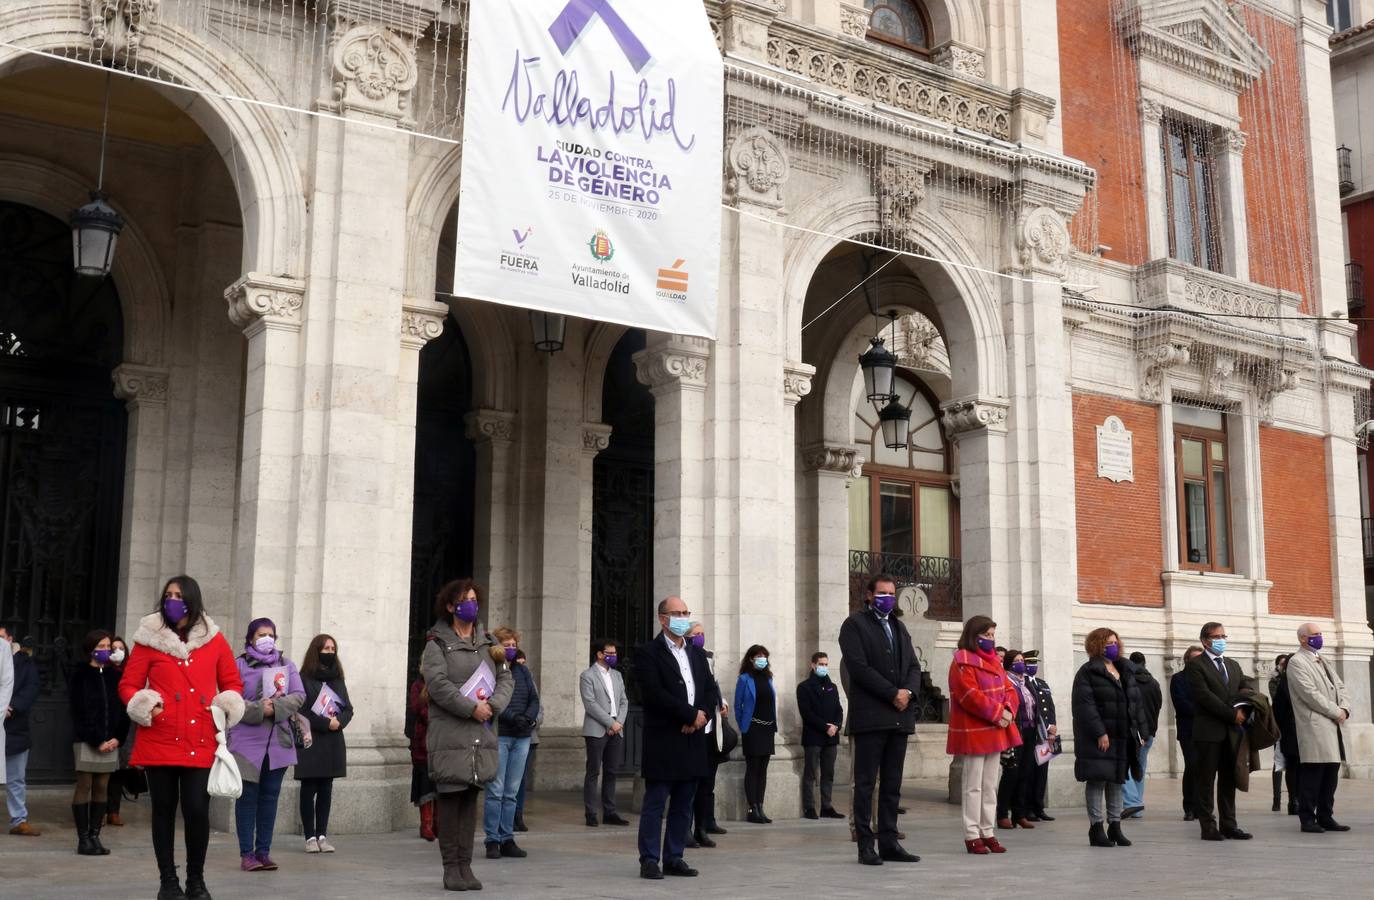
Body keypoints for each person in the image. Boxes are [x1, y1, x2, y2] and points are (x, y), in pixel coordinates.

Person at [119, 575, 245, 900]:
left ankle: (196, 880)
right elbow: (128, 684)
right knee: (162, 809)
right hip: (159, 737)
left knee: (197, 810)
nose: (172, 599)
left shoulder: (214, 640)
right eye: (168, 594)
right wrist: (147, 706)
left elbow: (232, 682)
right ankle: (167, 882)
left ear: (192, 599)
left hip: (201, 736)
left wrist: (225, 707)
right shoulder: (148, 639)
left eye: (178, 594)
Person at [423, 579, 514, 892]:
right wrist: (470, 708)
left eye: (474, 599)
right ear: (450, 606)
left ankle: (466, 865)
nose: (470, 605)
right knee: (451, 801)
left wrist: (493, 706)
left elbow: (505, 680)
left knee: (470, 802)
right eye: (464, 600)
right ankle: (451, 867)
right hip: (451, 734)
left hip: (481, 733)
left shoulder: (489, 642)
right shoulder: (436, 643)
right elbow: (437, 685)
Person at [839, 574, 922, 866]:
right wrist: (892, 693)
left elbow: (913, 665)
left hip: (899, 718)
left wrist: (909, 692)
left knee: (891, 784)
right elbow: (858, 668)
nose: (888, 597)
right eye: (882, 593)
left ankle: (889, 841)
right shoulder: (854, 626)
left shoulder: (899, 627)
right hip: (871, 717)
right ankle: (865, 844)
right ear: (869, 595)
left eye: (891, 593)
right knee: (865, 785)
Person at [636, 596, 715, 880]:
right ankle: (649, 858)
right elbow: (654, 693)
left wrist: (701, 714)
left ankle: (674, 856)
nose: (682, 617)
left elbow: (708, 688)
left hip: (693, 738)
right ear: (662, 618)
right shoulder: (648, 653)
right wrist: (687, 715)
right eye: (676, 613)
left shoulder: (695, 653)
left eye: (685, 612)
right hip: (665, 738)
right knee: (656, 802)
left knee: (684, 803)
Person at [227, 618, 304, 872]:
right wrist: (261, 708)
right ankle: (247, 854)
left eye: (271, 634)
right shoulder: (238, 665)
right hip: (246, 743)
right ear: (251, 638)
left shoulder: (287, 664)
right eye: (261, 634)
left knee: (270, 797)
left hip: (278, 742)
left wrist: (276, 708)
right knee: (247, 798)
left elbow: (299, 695)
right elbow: (230, 700)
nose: (267, 639)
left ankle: (264, 852)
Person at [946, 616, 1018, 855]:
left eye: (992, 635)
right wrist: (999, 713)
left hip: (996, 728)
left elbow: (1009, 688)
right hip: (975, 730)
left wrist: (1009, 709)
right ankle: (972, 834)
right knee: (973, 786)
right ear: (973, 635)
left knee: (990, 785)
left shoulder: (995, 662)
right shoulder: (961, 661)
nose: (990, 639)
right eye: (986, 635)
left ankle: (988, 831)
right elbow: (969, 696)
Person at [1072, 628, 1148, 848]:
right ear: (1096, 646)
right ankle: (1096, 828)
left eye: (1115, 642)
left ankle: (1115, 826)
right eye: (1107, 644)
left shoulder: (1124, 670)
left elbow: (1136, 704)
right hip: (1100, 737)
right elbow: (1085, 706)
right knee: (1097, 781)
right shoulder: (1087, 672)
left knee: (1117, 780)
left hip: (1123, 735)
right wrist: (1100, 732)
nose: (1113, 646)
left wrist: (1141, 732)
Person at [1183, 621, 1249, 841]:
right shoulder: (1196, 665)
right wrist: (1232, 714)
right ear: (1204, 640)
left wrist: (1246, 707)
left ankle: (1229, 824)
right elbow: (1204, 696)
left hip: (1232, 732)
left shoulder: (1232, 664)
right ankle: (1208, 827)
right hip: (1208, 732)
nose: (1221, 640)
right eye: (1216, 637)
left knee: (1229, 780)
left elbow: (1244, 687)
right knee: (1206, 780)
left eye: (1223, 636)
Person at [1286, 623, 1352, 833]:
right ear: (1303, 638)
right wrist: (1336, 712)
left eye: (1320, 634)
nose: (1320, 637)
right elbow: (1310, 694)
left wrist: (1345, 708)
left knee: (1330, 774)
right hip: (1315, 724)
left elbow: (1340, 686)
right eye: (1315, 635)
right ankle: (1307, 817)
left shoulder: (1323, 659)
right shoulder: (1297, 662)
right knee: (1313, 774)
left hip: (1333, 724)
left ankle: (1326, 815)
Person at [70, 629, 130, 856]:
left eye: (109, 647)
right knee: (84, 785)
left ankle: (95, 836)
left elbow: (124, 709)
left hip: (111, 742)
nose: (106, 651)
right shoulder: (81, 674)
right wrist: (96, 740)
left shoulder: (116, 676)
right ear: (91, 649)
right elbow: (77, 711)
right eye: (102, 647)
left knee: (102, 787)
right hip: (87, 739)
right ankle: (83, 838)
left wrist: (118, 737)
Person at [483, 627, 539, 860]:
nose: (511, 649)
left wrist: (528, 717)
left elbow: (534, 698)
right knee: (495, 791)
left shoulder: (524, 671)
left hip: (522, 736)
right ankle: (492, 840)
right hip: (501, 734)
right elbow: (490, 699)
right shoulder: (491, 670)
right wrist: (513, 718)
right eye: (506, 645)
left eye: (514, 645)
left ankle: (507, 838)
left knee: (512, 792)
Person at [296, 633, 352, 853]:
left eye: (332, 648)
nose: (329, 652)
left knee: (326, 789)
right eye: (325, 648)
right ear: (315, 650)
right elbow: (300, 710)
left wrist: (339, 722)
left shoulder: (338, 679)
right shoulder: (303, 678)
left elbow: (348, 708)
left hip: (332, 741)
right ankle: (310, 836)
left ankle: (322, 835)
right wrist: (324, 723)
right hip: (312, 740)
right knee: (309, 788)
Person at [687, 622, 731, 847]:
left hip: (711, 730)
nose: (700, 637)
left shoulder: (709, 658)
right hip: (694, 727)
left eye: (703, 633)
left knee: (707, 783)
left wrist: (721, 701)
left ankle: (702, 828)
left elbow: (713, 686)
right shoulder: (685, 657)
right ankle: (685, 828)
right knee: (690, 784)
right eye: (696, 634)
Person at [580, 638, 630, 828]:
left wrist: (619, 723)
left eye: (615, 654)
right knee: (593, 772)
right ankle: (591, 812)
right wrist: (610, 722)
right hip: (596, 730)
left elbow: (624, 701)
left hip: (617, 730)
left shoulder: (617, 675)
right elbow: (590, 704)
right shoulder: (587, 676)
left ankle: (610, 811)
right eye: (609, 653)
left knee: (612, 772)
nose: (613, 657)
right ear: (599, 654)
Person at [2, 625, 40, 836]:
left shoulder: (25, 663)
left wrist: (11, 707)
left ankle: (19, 820)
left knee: (16, 778)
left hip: (15, 728)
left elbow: (31, 688)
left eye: (1, 637)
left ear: (9, 638)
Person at [797, 651, 844, 820]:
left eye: (826, 664)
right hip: (814, 736)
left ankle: (827, 806)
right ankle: (809, 807)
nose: (824, 667)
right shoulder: (804, 687)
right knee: (811, 773)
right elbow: (807, 713)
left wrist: (836, 725)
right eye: (821, 664)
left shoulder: (832, 686)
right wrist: (825, 727)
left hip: (831, 736)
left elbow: (839, 709)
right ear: (813, 665)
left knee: (828, 773)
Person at [995, 649, 1037, 831]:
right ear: (1010, 664)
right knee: (1011, 772)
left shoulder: (1026, 683)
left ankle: (1020, 814)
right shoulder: (1006, 681)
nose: (1021, 663)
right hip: (1014, 731)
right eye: (1017, 660)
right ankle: (1003, 814)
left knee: (1025, 772)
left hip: (1029, 731)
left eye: (1022, 660)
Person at [735, 644, 777, 824]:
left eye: (764, 656)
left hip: (767, 727)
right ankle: (752, 808)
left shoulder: (768, 678)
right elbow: (738, 706)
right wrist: (743, 726)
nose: (762, 659)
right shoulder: (744, 679)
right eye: (759, 656)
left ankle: (760, 805)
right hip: (752, 728)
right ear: (751, 658)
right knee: (753, 768)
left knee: (763, 769)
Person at [1120, 651, 1162, 818]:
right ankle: (1136, 807)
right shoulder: (1155, 683)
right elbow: (1158, 707)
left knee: (1124, 768)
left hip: (1131, 731)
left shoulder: (1128, 682)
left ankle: (1133, 803)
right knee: (1140, 768)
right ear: (1144, 663)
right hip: (1148, 732)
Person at [104, 636, 136, 828]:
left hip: (125, 725)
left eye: (120, 648)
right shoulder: (102, 671)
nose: (117, 651)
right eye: (113, 648)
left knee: (119, 772)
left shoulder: (130, 672)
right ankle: (98, 809)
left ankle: (113, 811)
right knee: (101, 772)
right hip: (107, 724)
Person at [1022, 650, 1058, 821]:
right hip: (1032, 734)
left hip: (1045, 736)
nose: (1033, 667)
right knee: (1029, 771)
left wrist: (1052, 726)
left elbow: (1050, 707)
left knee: (1042, 771)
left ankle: (1038, 807)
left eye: (1035, 664)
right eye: (1030, 664)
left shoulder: (1042, 683)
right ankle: (1027, 808)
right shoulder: (1023, 684)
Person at [1170, 645, 1204, 821]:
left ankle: (1202, 807)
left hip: (1206, 731)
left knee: (1205, 769)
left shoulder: (1206, 678)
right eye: (1195, 659)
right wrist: (1204, 711)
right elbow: (1181, 703)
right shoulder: (1178, 679)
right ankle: (1189, 806)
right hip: (1188, 730)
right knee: (1192, 766)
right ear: (1187, 661)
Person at [512, 648, 541, 833]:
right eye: (519, 663)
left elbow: (538, 705)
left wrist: (531, 720)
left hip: (529, 735)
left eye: (524, 663)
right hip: (509, 732)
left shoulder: (529, 680)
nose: (523, 667)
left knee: (521, 780)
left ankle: (518, 814)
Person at [406, 670, 437, 841]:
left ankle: (438, 822)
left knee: (442, 784)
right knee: (425, 783)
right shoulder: (418, 685)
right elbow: (418, 709)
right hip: (423, 743)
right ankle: (426, 823)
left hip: (442, 741)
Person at [1269, 653, 1299, 814]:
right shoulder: (1279, 683)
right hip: (1286, 730)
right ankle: (1287, 801)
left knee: (1300, 766)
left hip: (1303, 729)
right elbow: (1278, 708)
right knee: (1287, 764)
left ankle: (1300, 800)